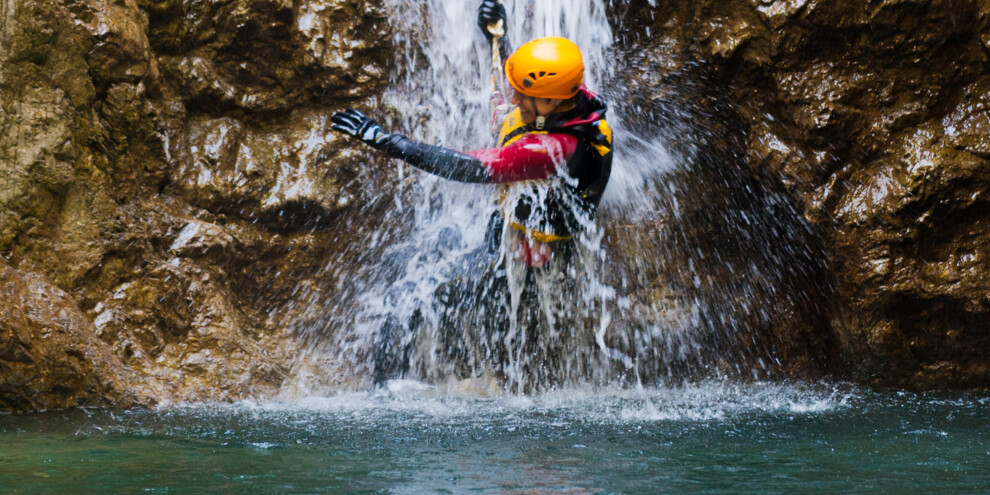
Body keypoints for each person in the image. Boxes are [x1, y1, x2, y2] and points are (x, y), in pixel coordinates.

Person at [331, 1, 613, 387]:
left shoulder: (552, 151)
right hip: (508, 231)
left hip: (523, 261)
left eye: (525, 97)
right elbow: (517, 91)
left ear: (550, 102)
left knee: (406, 298)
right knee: (400, 257)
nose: (515, 100)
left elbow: (468, 166)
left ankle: (385, 398)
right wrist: (498, 37)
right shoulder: (569, 100)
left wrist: (385, 140)